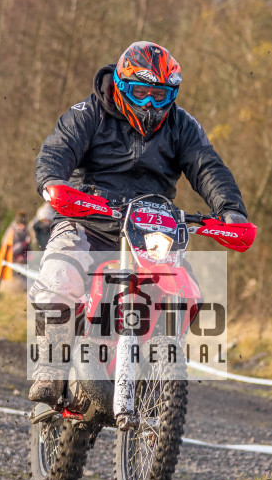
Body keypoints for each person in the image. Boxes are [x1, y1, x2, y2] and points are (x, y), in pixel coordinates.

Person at [28, 41, 249, 404]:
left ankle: (157, 369)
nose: (149, 103)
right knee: (59, 277)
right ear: (120, 84)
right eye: (140, 92)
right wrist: (54, 181)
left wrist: (231, 210)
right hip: (89, 220)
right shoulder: (89, 113)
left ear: (171, 94)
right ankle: (50, 370)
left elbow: (207, 166)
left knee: (187, 291)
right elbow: (59, 148)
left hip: (151, 228)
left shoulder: (181, 126)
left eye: (159, 95)